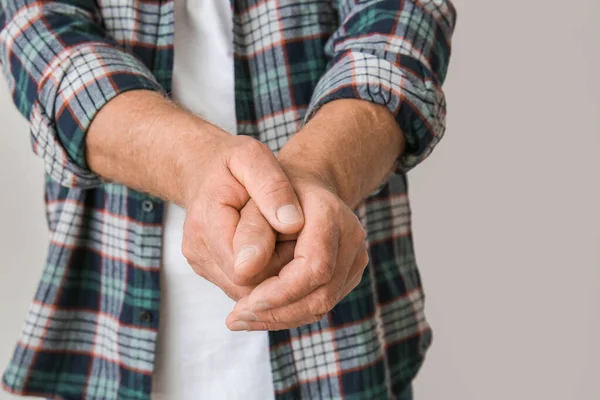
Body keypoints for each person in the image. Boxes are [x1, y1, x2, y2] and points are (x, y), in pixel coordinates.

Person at [0, 0, 456, 398]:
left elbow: (398, 27)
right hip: (107, 332)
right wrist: (197, 165)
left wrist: (321, 173)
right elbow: (45, 41)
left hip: (340, 342)